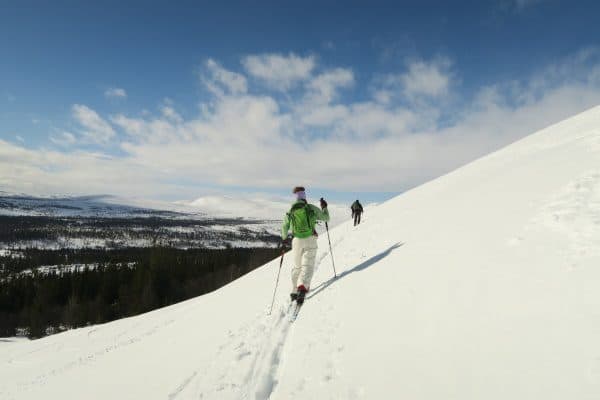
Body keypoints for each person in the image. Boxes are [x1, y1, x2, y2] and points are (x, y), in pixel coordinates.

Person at [281, 186, 330, 305]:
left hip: (296, 240)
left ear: (296, 198)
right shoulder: (310, 208)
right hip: (310, 239)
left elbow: (284, 227)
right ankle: (303, 286)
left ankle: (294, 290)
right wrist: (324, 207)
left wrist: (283, 239)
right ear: (304, 197)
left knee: (297, 265)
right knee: (308, 263)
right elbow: (326, 218)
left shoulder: (290, 210)